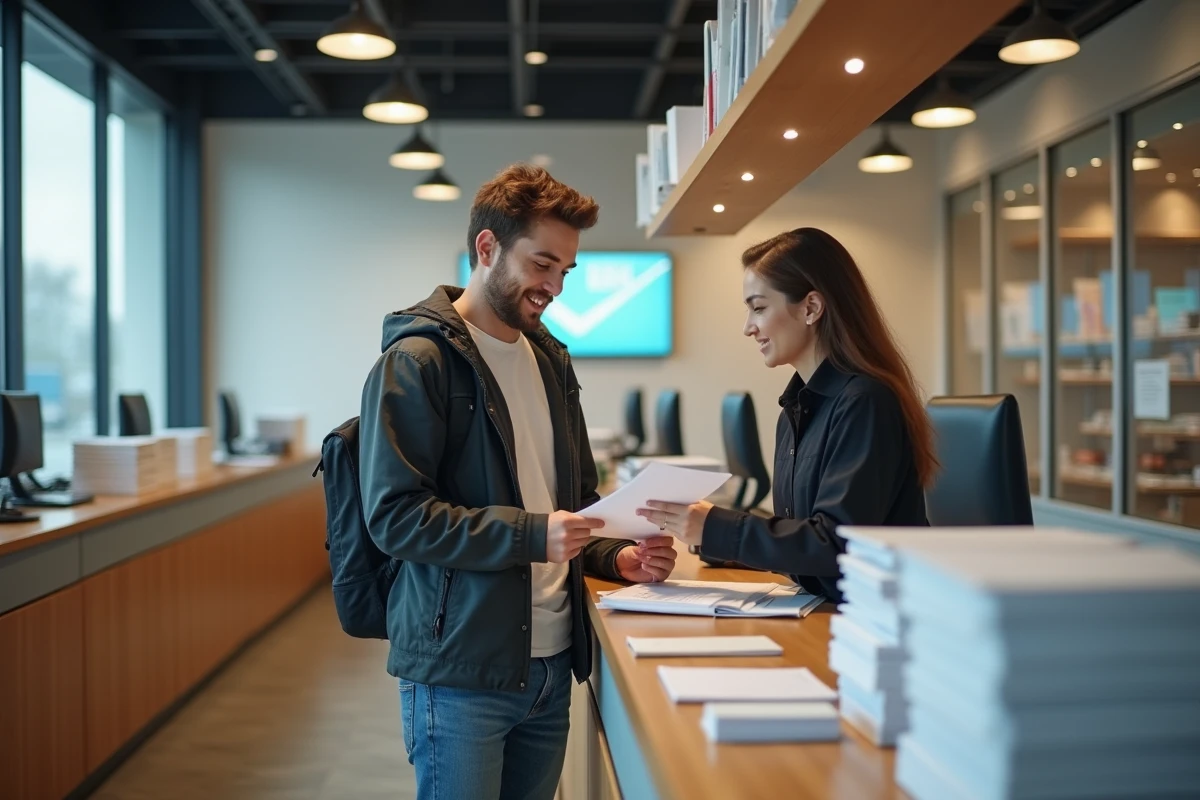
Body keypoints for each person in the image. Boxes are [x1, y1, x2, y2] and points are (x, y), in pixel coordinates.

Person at [358, 163, 678, 800]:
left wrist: (620, 556)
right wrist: (534, 535)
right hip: (460, 673)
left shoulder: (551, 359)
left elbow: (576, 506)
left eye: (565, 271)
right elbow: (395, 517)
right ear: (486, 248)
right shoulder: (416, 362)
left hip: (553, 663)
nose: (555, 285)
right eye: (542, 264)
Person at [637, 227, 936, 602]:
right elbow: (802, 537)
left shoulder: (866, 402)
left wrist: (716, 528)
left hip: (878, 622)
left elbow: (836, 544)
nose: (748, 327)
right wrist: (704, 537)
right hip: (829, 609)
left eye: (758, 308)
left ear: (811, 307)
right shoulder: (797, 407)